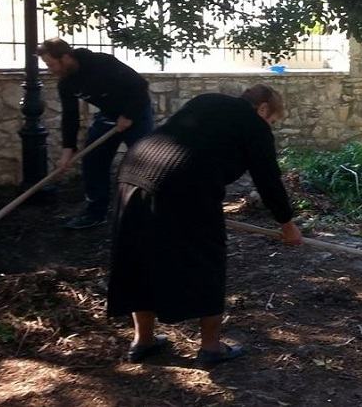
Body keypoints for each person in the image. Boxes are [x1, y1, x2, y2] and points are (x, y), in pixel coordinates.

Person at [107, 85, 303, 364]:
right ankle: (211, 348)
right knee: (207, 262)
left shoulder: (207, 100)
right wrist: (287, 224)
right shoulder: (254, 124)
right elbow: (268, 179)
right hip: (183, 186)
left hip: (134, 172)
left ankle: (144, 341)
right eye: (272, 120)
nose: (269, 126)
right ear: (262, 109)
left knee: (139, 256)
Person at [37, 38, 153, 229]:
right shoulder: (66, 83)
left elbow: (140, 86)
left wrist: (128, 115)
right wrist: (68, 149)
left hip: (136, 113)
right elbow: (70, 116)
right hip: (107, 117)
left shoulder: (102, 63)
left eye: (51, 64)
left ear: (65, 57)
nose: (50, 69)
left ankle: (150, 212)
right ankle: (95, 212)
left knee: (146, 162)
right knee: (93, 160)